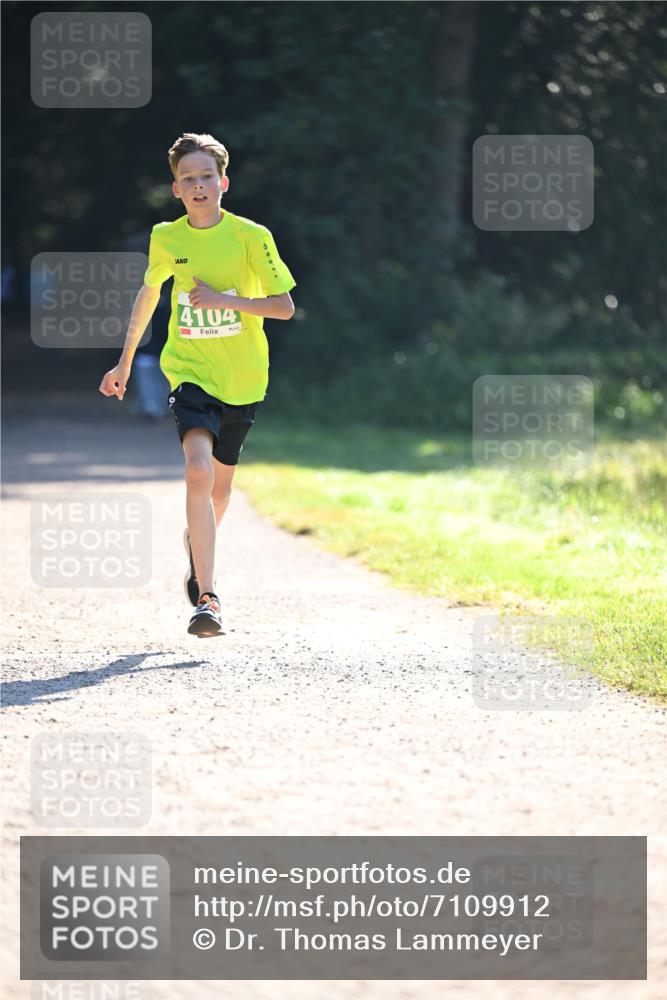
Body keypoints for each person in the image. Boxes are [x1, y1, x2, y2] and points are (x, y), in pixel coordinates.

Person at [99, 132, 296, 637]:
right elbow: (148, 298)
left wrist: (224, 301)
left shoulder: (252, 236)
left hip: (243, 378)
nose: (199, 185)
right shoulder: (167, 238)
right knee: (197, 471)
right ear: (176, 189)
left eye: (207, 175)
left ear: (223, 182)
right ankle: (207, 598)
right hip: (188, 371)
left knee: (221, 489)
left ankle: (196, 544)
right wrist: (123, 362)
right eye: (189, 178)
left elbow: (283, 307)